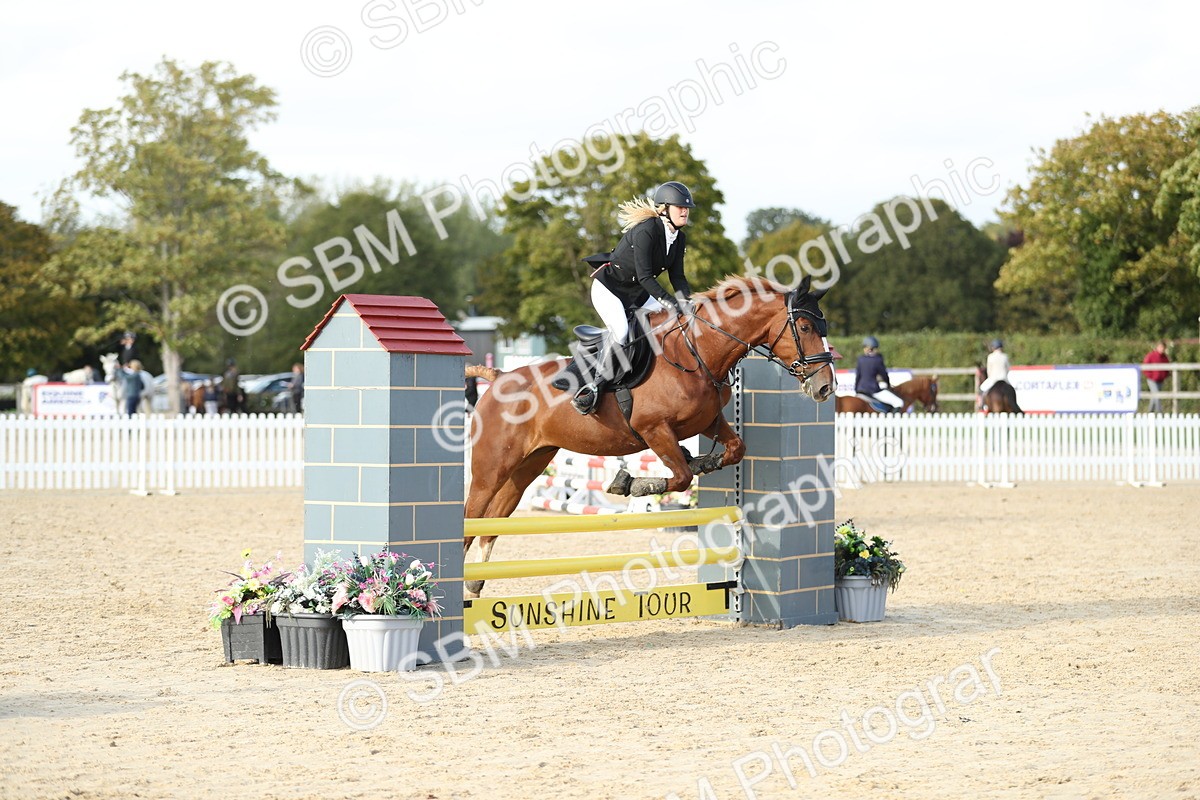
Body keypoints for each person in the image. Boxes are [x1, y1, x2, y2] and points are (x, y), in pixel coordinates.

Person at [572, 180, 697, 414]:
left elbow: (678, 277)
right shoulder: (646, 231)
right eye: (679, 207)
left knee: (670, 322)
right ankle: (594, 387)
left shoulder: (679, 238)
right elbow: (645, 277)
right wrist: (670, 302)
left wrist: (686, 302)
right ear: (664, 209)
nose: (685, 211)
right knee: (621, 332)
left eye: (687, 208)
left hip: (637, 293)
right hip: (610, 290)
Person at [855, 336, 902, 412]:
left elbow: (858, 376)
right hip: (873, 390)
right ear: (872, 348)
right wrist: (888, 384)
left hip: (860, 390)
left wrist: (856, 389)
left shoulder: (860, 359)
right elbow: (884, 375)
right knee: (899, 402)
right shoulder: (878, 359)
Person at [1143, 340, 1170, 413]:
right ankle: (1159, 412)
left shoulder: (1165, 358)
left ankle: (1150, 412)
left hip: (1160, 380)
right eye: (1161, 347)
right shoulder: (1151, 355)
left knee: (1154, 396)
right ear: (1157, 347)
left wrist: (1164, 376)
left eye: (1163, 348)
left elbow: (1167, 368)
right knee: (1157, 395)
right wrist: (1150, 376)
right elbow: (1145, 367)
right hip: (1152, 380)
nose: (1162, 349)